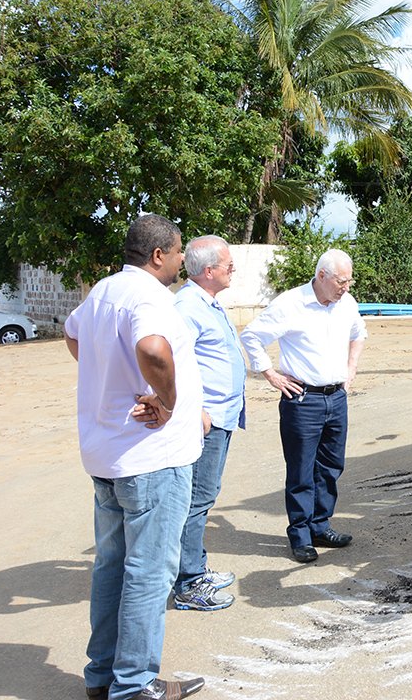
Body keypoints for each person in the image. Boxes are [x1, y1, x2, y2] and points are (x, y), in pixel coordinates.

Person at [64, 214, 207, 700]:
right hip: (151, 459)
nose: (183, 258)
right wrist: (164, 399)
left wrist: (110, 376)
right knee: (149, 572)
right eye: (179, 249)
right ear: (158, 256)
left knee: (111, 567)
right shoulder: (150, 297)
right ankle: (135, 684)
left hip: (109, 457)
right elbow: (153, 348)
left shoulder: (104, 290)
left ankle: (102, 677)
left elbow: (73, 334)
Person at [239, 249, 367, 563]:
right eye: (341, 281)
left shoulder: (346, 304)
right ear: (321, 276)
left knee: (330, 467)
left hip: (336, 398)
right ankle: (300, 534)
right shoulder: (290, 304)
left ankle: (320, 526)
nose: (346, 287)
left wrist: (351, 369)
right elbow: (252, 336)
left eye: (349, 281)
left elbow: (358, 333)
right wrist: (270, 373)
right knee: (301, 471)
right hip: (303, 400)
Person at [169, 235, 247, 612]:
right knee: (196, 500)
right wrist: (197, 409)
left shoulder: (207, 302)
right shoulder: (187, 307)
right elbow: (174, 364)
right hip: (206, 421)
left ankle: (194, 567)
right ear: (209, 270)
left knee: (203, 497)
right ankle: (187, 582)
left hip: (220, 418)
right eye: (229, 265)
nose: (234, 270)